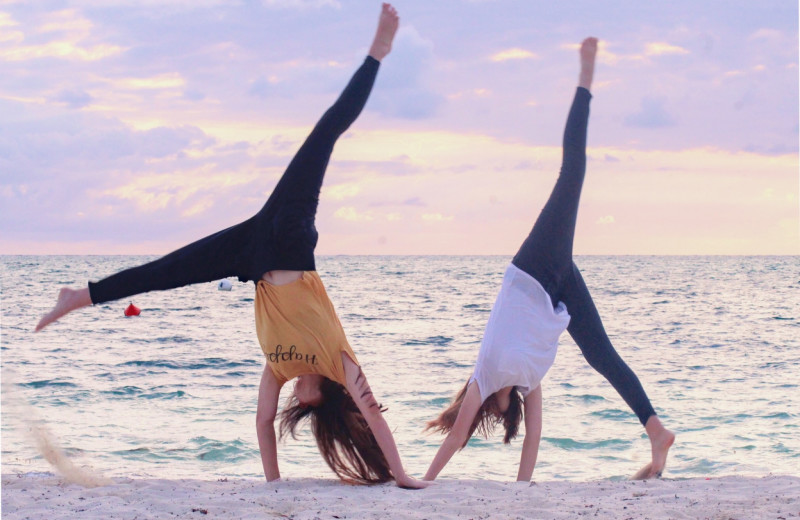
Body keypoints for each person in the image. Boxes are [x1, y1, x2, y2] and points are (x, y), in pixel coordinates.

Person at [35, 3, 427, 489]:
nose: (293, 401)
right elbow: (374, 417)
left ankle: (79, 297)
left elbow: (263, 423)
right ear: (322, 397)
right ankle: (377, 54)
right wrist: (401, 474)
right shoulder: (339, 366)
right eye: (304, 402)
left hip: (252, 257)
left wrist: (272, 484)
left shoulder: (278, 369)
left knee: (168, 271)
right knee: (325, 134)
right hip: (288, 242)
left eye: (294, 403)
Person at [424, 37, 674, 482]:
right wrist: (522, 489)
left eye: (497, 415)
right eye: (506, 416)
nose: (503, 415)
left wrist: (421, 480)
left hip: (532, 269)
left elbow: (455, 437)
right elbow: (535, 439)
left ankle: (585, 78)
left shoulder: (482, 376)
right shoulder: (528, 382)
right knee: (602, 355)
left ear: (485, 405)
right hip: (559, 288)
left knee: (571, 174)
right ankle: (655, 428)